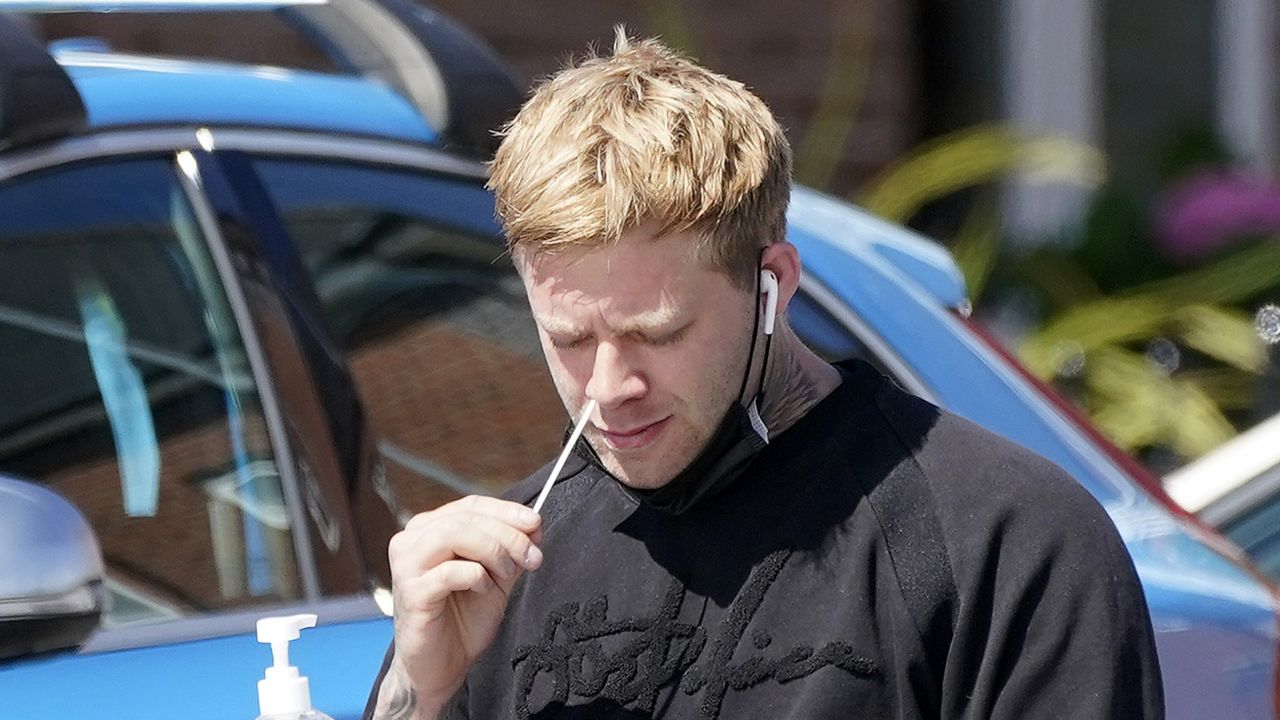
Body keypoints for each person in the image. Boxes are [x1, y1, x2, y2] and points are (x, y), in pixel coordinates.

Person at [365, 30, 1164, 720]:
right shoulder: (504, 574)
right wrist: (419, 688)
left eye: (657, 333)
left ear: (773, 282)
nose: (608, 386)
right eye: (568, 337)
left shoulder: (1007, 540)